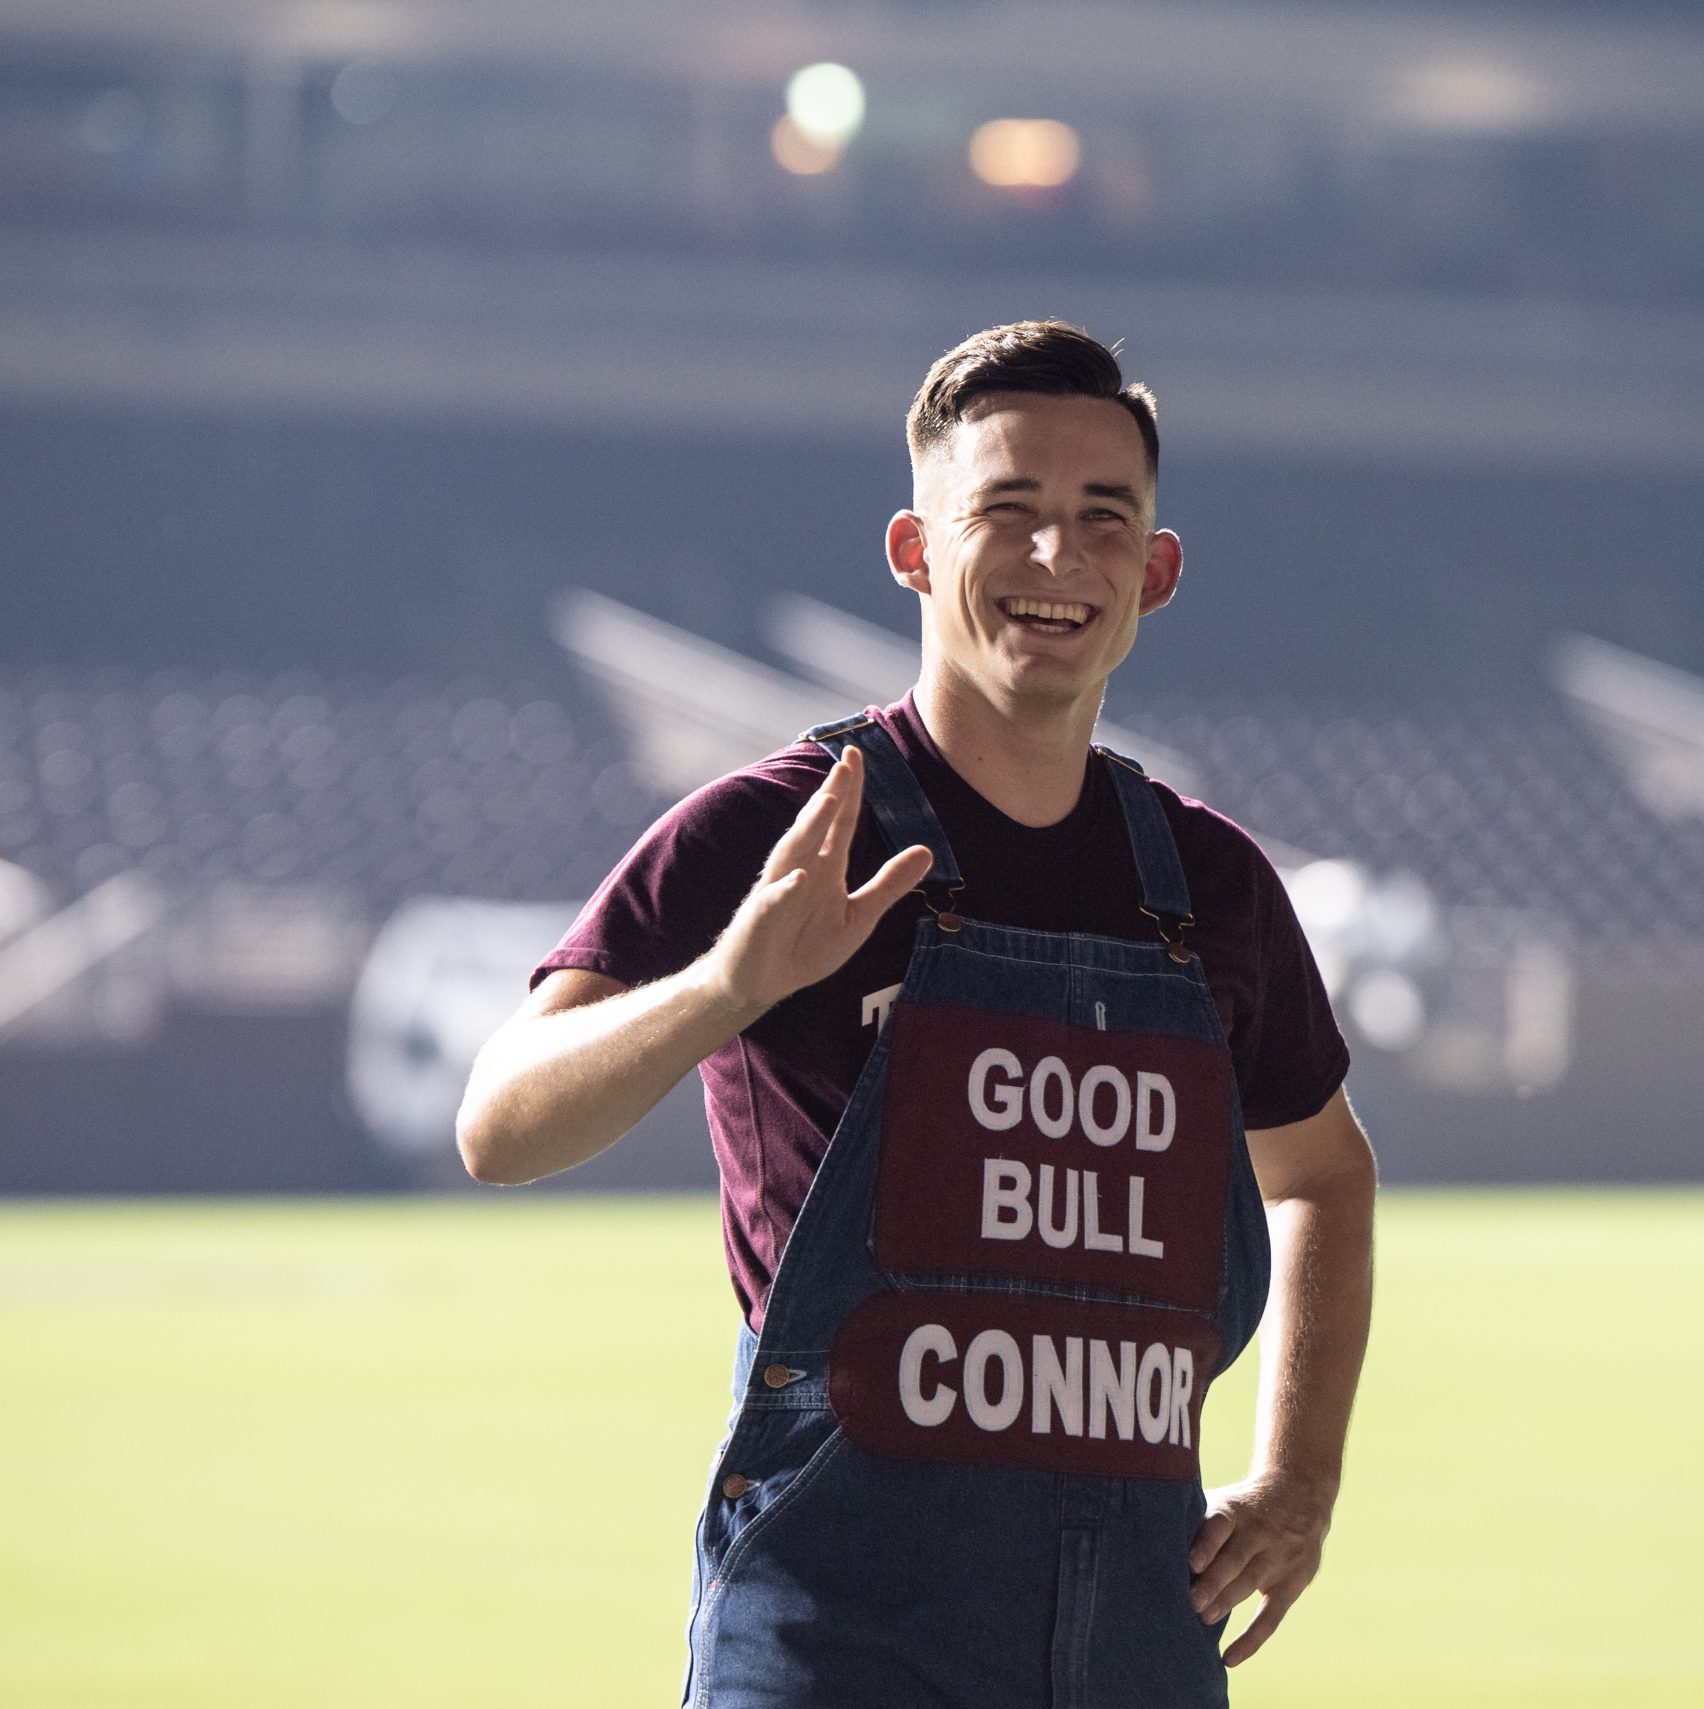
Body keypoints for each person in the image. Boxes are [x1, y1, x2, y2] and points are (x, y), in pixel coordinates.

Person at [456, 320, 1377, 1708]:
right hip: (838, 1633)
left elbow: (1321, 1175)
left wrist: (1300, 1478)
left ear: (1159, 569)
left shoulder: (1210, 883)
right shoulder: (779, 828)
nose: (1056, 561)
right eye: (1006, 512)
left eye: (1100, 520)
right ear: (914, 548)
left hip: (1136, 1632)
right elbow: (500, 1124)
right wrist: (726, 987)